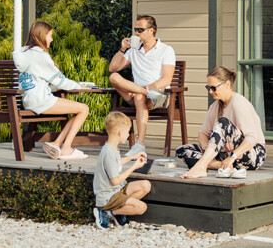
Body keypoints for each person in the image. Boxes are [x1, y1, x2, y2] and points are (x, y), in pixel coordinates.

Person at [12, 21, 89, 160]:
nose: (51, 39)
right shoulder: (40, 56)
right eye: (50, 35)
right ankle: (66, 148)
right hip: (42, 101)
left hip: (29, 100)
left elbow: (34, 82)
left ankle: (56, 143)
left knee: (78, 110)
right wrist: (79, 86)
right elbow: (60, 79)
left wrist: (52, 88)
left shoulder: (25, 54)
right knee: (84, 109)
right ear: (42, 36)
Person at [176, 66, 266, 179]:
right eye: (208, 88)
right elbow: (202, 133)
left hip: (250, 154)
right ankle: (220, 165)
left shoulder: (239, 103)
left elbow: (253, 137)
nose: (210, 91)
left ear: (227, 84)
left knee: (222, 122)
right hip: (225, 154)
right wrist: (207, 150)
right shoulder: (215, 106)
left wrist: (233, 156)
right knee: (181, 151)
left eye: (213, 88)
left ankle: (202, 166)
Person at [108, 14, 176, 156]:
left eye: (140, 30)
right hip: (136, 94)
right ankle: (142, 92)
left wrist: (147, 89)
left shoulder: (166, 50)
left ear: (151, 30)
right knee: (114, 77)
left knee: (140, 97)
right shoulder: (134, 50)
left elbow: (166, 79)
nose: (136, 33)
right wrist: (122, 49)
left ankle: (140, 144)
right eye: (135, 30)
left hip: (156, 95)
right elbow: (113, 68)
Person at [92, 111, 152, 229]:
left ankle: (119, 213)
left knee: (145, 185)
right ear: (121, 132)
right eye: (128, 132)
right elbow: (115, 180)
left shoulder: (112, 147)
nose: (129, 135)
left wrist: (132, 157)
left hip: (116, 191)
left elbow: (115, 163)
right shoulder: (109, 152)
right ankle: (107, 213)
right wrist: (133, 167)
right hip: (108, 197)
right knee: (141, 207)